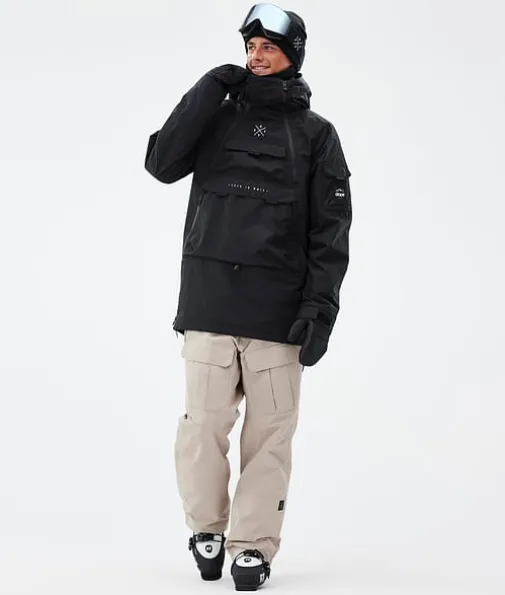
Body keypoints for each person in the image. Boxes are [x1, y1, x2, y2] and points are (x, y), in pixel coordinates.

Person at [144, 3, 352, 590]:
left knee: (269, 439)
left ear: (293, 56)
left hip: (278, 315)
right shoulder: (215, 117)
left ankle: (253, 546)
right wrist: (208, 88)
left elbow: (331, 232)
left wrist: (320, 310)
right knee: (201, 428)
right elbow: (161, 163)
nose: (256, 57)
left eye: (269, 48)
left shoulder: (317, 136)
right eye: (251, 47)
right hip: (210, 304)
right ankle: (206, 529)